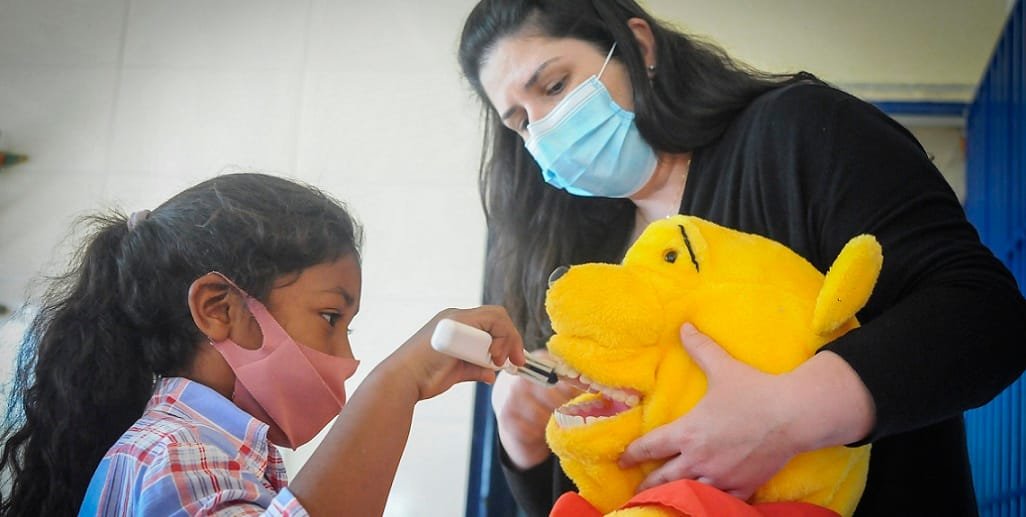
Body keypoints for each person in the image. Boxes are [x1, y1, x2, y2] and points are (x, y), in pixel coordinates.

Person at [456, 1, 1026, 516]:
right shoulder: (586, 266)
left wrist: (790, 412)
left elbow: (983, 313)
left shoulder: (794, 137)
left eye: (555, 86)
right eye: (522, 123)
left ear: (639, 46)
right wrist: (525, 442)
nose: (546, 129)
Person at [0, 173, 528, 516]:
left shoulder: (208, 456)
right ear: (218, 308)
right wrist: (398, 381)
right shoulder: (174, 456)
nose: (345, 360)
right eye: (329, 317)